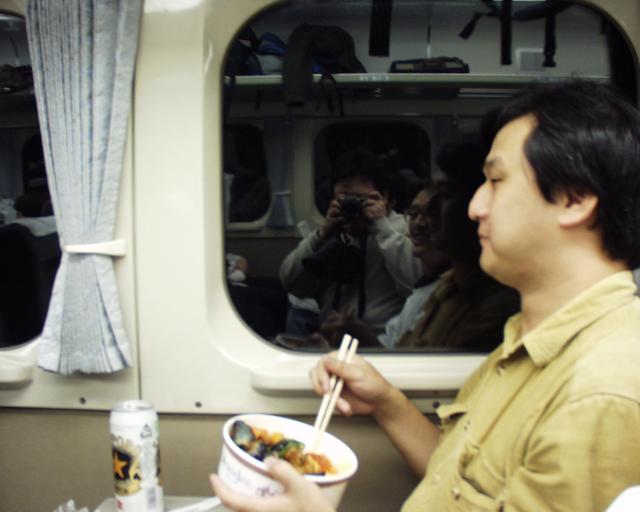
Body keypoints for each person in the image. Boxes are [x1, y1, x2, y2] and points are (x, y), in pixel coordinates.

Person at [211, 80, 640, 511]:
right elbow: (454, 478)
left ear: (574, 198)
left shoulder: (602, 393)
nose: (475, 208)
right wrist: (387, 402)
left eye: (496, 181)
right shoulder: (526, 341)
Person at [319, 134, 519, 351]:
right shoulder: (447, 287)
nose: (427, 216)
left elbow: (430, 370)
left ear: (480, 207)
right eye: (414, 213)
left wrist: (379, 227)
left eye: (446, 195)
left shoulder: (495, 307)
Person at [280, 148, 423, 339]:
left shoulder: (403, 229)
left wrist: (382, 229)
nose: (351, 205)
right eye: (344, 198)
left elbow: (417, 283)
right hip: (332, 337)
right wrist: (321, 235)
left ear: (385, 198)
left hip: (381, 341)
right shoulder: (333, 231)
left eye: (360, 199)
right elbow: (291, 283)